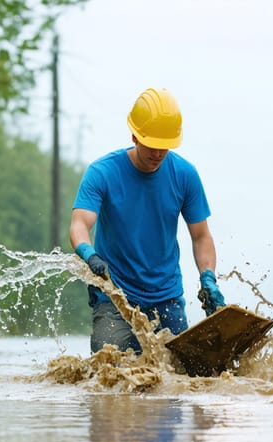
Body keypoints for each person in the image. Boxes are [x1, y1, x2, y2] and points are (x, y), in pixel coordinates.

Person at [70, 87, 226, 355]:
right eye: (152, 146)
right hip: (114, 296)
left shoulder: (184, 175)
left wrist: (208, 277)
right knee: (109, 369)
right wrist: (88, 254)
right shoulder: (102, 172)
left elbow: (201, 236)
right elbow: (80, 224)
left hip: (166, 297)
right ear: (135, 136)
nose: (158, 154)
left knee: (180, 376)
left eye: (164, 147)